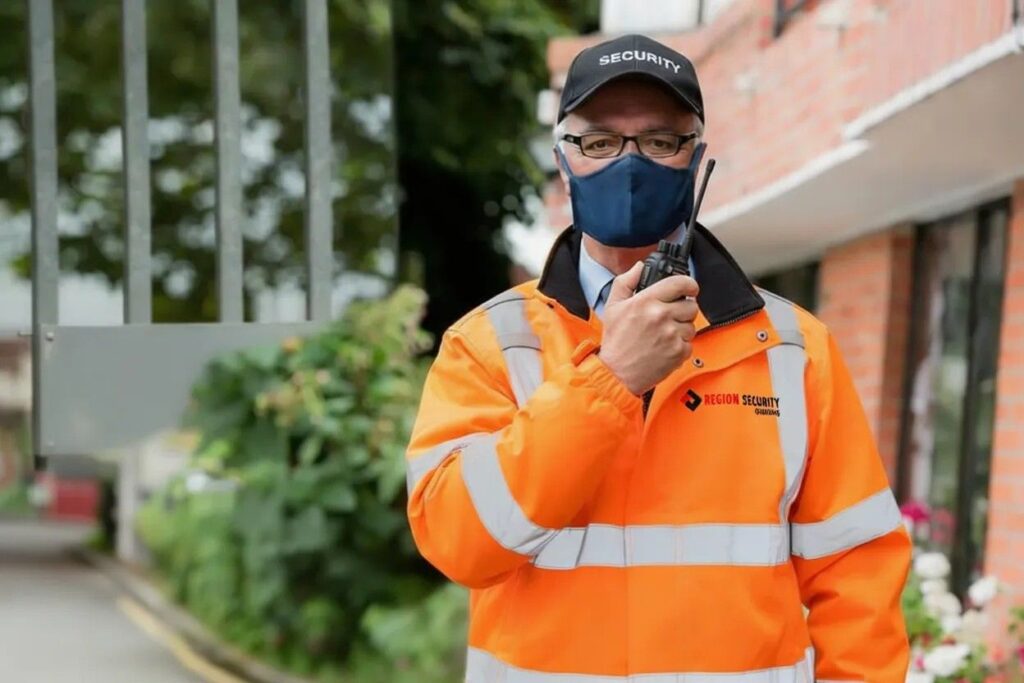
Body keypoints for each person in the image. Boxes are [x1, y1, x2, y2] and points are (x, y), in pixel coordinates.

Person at [405, 33, 911, 682]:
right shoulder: (489, 344)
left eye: (660, 140)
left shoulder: (794, 349)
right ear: (564, 162)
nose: (629, 163)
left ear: (695, 159)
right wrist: (610, 380)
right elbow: (457, 542)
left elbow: (857, 578)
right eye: (599, 141)